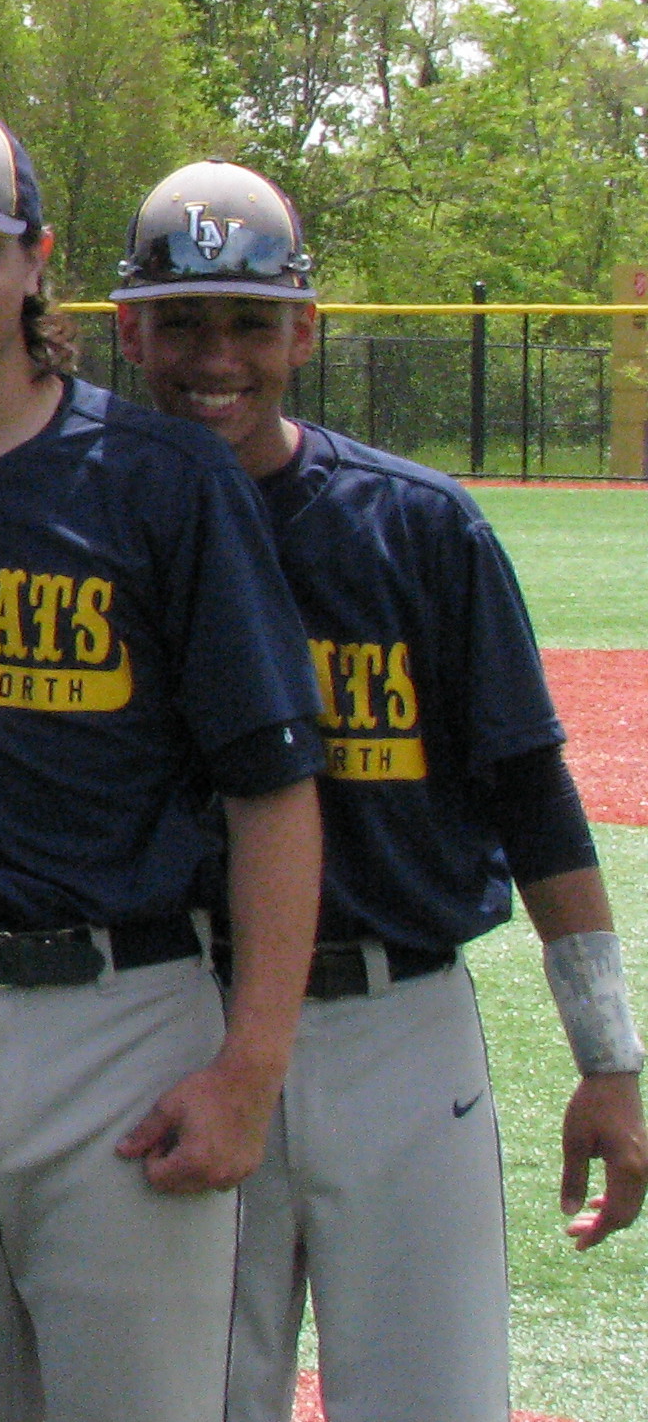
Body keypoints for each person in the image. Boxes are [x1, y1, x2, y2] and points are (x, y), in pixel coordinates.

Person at [0, 107, 327, 1422]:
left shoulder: (162, 479)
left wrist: (249, 1069)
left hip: (122, 1011)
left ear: (34, 260)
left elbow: (273, 787)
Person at [101, 159, 645, 1421]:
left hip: (396, 1024)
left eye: (248, 317)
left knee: (432, 1397)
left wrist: (609, 1059)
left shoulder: (413, 527)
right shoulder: (92, 522)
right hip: (178, 1016)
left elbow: (533, 796)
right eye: (182, 320)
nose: (213, 355)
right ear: (129, 328)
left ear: (306, 328)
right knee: (191, 1401)